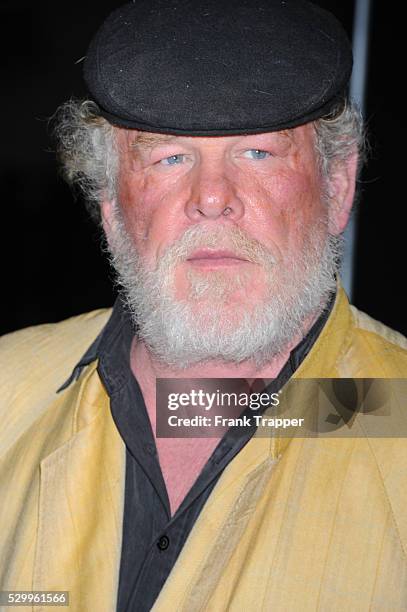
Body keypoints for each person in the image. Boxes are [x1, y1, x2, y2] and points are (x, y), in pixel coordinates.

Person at [1, 1, 406, 610]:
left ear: (337, 185)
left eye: (258, 153)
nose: (212, 198)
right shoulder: (6, 389)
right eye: (170, 157)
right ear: (110, 202)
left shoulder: (395, 413)